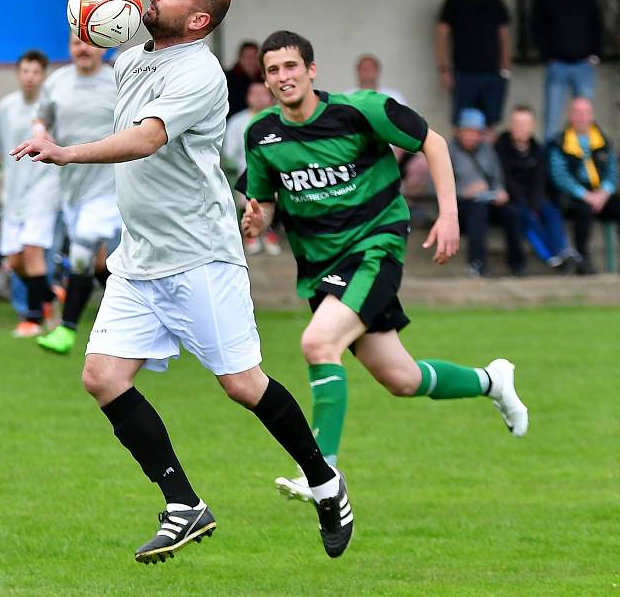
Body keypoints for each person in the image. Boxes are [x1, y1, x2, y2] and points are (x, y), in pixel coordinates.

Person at [12, 0, 352, 563]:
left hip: (198, 255)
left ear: (197, 20)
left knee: (243, 385)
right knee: (102, 377)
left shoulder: (201, 74)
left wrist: (66, 154)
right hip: (140, 254)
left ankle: (326, 482)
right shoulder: (130, 59)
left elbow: (146, 139)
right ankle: (182, 505)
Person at [240, 31, 528, 502]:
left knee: (317, 343)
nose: (283, 76)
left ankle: (322, 472)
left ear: (311, 70)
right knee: (403, 379)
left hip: (374, 248)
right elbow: (265, 205)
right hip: (321, 267)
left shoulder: (361, 110)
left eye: (291, 66)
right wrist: (257, 219)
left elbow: (432, 142)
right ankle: (492, 380)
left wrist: (450, 215)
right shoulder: (262, 134)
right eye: (273, 70)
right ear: (266, 80)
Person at [33, 34, 121, 354]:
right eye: (74, 43)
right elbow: (42, 119)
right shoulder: (57, 83)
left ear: (104, 46)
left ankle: (66, 330)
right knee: (99, 265)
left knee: (82, 247)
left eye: (89, 42)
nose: (82, 48)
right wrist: (39, 133)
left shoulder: (118, 81)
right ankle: (154, 315)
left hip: (109, 185)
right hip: (72, 188)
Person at [0, 50, 62, 337]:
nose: (30, 77)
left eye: (36, 72)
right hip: (13, 195)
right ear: (18, 74)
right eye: (25, 71)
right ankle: (51, 297)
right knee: (14, 260)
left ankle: (34, 317)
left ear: (43, 76)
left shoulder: (51, 106)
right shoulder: (7, 106)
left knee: (32, 251)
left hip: (44, 188)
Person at [495, 105, 579, 272]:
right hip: (512, 200)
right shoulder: (500, 148)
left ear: (532, 126)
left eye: (525, 124)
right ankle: (552, 257)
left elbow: (540, 181)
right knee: (526, 216)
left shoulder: (538, 149)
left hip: (534, 198)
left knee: (552, 211)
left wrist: (535, 204)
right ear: (511, 125)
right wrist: (527, 204)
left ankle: (562, 250)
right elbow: (506, 180)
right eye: (518, 124)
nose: (521, 128)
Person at [531, 0, 603, 140]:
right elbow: (536, 27)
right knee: (552, 118)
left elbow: (597, 24)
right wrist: (547, 55)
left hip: (583, 64)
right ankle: (551, 165)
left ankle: (586, 162)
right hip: (557, 64)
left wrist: (594, 53)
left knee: (584, 117)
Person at [436, 0, 511, 129]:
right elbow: (441, 36)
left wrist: (505, 70)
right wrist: (444, 69)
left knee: (491, 122)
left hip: (493, 73)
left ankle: (486, 157)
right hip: (463, 73)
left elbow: (504, 37)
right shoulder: (453, 2)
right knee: (461, 122)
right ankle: (458, 157)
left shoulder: (496, 3)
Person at [449, 108, 525, 277]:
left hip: (487, 200)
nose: (472, 136)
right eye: (468, 131)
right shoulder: (447, 151)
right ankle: (477, 264)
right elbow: (435, 187)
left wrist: (499, 192)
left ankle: (517, 264)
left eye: (476, 132)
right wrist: (464, 192)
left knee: (511, 212)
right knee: (477, 209)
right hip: (459, 206)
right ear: (459, 131)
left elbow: (497, 177)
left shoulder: (487, 150)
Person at [549, 97, 619, 274]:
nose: (582, 117)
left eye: (586, 113)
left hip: (601, 193)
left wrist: (604, 193)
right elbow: (560, 176)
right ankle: (584, 260)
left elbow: (613, 170)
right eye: (578, 113)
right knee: (583, 210)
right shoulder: (559, 142)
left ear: (592, 115)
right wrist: (585, 195)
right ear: (570, 116)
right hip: (574, 196)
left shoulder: (603, 140)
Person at [352, 54, 430, 201]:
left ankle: (403, 200)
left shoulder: (393, 95)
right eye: (363, 68)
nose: (367, 72)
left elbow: (405, 128)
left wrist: (396, 156)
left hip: (395, 154)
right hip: (362, 157)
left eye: (370, 68)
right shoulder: (347, 96)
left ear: (377, 71)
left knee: (421, 164)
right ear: (357, 71)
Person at [222, 81, 280, 255]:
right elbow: (229, 151)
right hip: (246, 170)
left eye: (263, 93)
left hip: (276, 171)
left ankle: (270, 232)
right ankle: (251, 235)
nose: (259, 97)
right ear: (248, 97)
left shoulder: (278, 118)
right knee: (247, 199)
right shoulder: (238, 121)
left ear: (270, 96)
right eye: (254, 94)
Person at [225, 41, 263, 117]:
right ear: (240, 58)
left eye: (254, 57)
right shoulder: (228, 79)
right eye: (248, 57)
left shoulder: (264, 78)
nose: (251, 61)